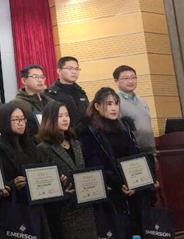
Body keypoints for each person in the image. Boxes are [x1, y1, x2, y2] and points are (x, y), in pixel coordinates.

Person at [76, 87, 156, 237]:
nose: (114, 108)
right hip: (110, 192)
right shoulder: (89, 131)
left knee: (137, 230)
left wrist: (145, 179)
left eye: (116, 103)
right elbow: (94, 163)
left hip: (133, 188)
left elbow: (135, 155)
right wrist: (118, 183)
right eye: (109, 104)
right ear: (97, 106)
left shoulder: (124, 127)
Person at [0, 103, 51, 239]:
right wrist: (12, 184)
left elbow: (42, 168)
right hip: (13, 210)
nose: (21, 123)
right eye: (15, 120)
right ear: (4, 121)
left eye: (22, 119)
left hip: (36, 208)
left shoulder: (29, 145)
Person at [36, 101, 96, 239]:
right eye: (60, 116)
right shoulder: (43, 148)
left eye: (67, 115)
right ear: (50, 119)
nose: (65, 119)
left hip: (85, 207)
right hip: (64, 210)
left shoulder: (75, 143)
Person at [113, 65, 156, 155]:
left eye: (133, 77)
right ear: (116, 81)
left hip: (149, 149)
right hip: (130, 152)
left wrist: (154, 152)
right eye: (126, 78)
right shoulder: (114, 101)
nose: (131, 81)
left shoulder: (142, 101)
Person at [10, 64, 50, 139]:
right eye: (35, 77)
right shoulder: (17, 104)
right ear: (24, 80)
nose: (40, 80)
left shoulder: (50, 102)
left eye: (42, 77)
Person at [47, 56, 89, 127]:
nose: (74, 72)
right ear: (59, 71)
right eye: (70, 68)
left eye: (76, 69)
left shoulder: (80, 92)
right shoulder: (52, 94)